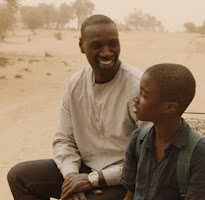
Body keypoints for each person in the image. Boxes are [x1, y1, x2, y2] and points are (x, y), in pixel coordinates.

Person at [7, 14, 145, 200]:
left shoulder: (138, 86)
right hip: (83, 168)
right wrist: (71, 177)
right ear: (81, 46)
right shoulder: (75, 84)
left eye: (113, 44)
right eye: (97, 46)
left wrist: (94, 179)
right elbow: (64, 139)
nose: (107, 52)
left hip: (122, 178)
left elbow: (148, 153)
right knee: (20, 176)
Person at [119, 63, 205, 200]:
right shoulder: (138, 139)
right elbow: (131, 194)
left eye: (144, 95)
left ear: (170, 107)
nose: (135, 99)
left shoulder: (201, 154)